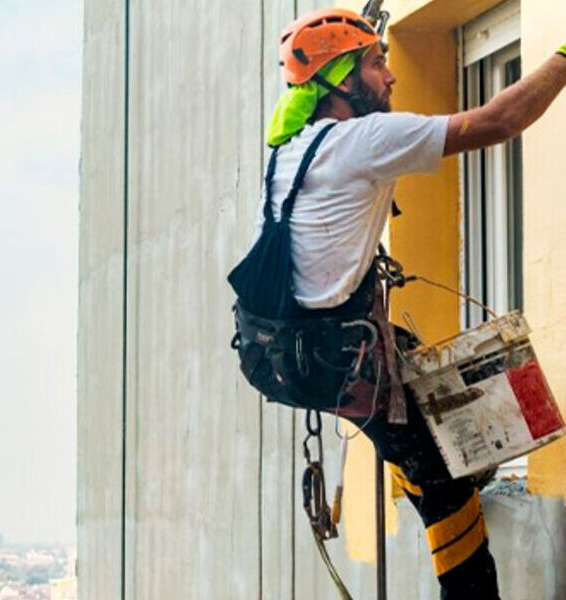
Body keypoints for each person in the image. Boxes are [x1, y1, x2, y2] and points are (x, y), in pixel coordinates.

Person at [237, 6, 566, 600]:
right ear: (339, 82)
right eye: (375, 62)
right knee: (444, 487)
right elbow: (503, 118)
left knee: (414, 378)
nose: (389, 76)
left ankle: (427, 463)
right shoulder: (363, 139)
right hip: (339, 358)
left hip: (291, 352)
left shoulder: (291, 150)